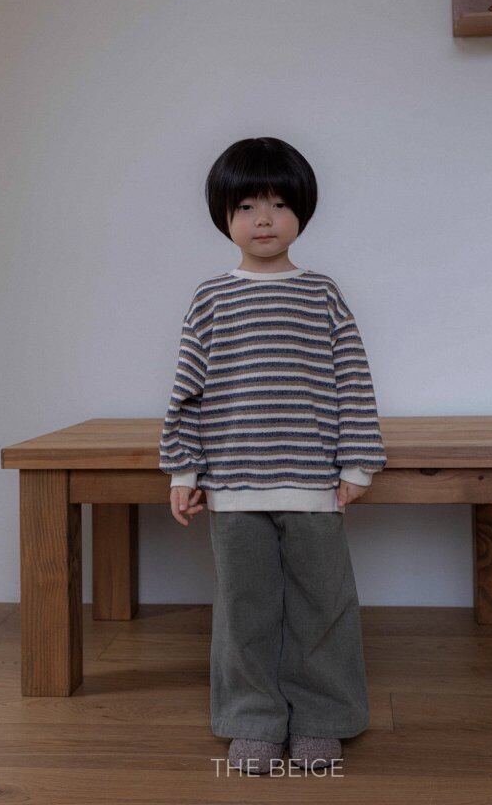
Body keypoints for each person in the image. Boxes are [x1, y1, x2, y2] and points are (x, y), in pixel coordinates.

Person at [159, 137, 387, 775]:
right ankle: (251, 721)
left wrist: (357, 463)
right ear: (224, 216)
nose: (265, 219)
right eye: (248, 205)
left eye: (280, 204)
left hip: (314, 483)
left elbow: (353, 379)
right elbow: (187, 391)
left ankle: (323, 719)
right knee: (244, 610)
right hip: (234, 486)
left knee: (324, 606)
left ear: (302, 212)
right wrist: (183, 471)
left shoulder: (322, 294)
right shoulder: (211, 298)